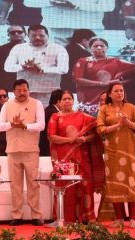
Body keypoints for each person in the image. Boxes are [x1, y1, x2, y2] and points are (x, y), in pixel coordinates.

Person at [48, 90, 104, 224]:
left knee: (85, 186)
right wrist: (70, 140)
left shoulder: (83, 116)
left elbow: (93, 135)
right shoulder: (55, 117)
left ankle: (87, 217)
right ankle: (66, 219)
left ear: (73, 101)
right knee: (65, 188)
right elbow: (52, 137)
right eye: (64, 99)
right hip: (63, 159)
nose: (67, 101)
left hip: (82, 157)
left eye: (69, 99)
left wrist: (83, 139)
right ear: (59, 102)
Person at [0, 79, 45, 226]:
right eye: (19, 90)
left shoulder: (37, 103)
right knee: (15, 185)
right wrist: (12, 124)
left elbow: (41, 125)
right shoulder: (7, 105)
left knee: (33, 184)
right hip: (12, 150)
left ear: (28, 90)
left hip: (31, 150)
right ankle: (16, 215)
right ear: (14, 92)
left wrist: (25, 126)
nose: (22, 93)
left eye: (25, 90)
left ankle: (36, 215)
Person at [96, 82, 135, 229]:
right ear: (109, 94)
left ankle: (134, 219)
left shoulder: (131, 107)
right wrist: (117, 125)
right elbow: (100, 128)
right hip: (113, 152)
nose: (119, 93)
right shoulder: (104, 109)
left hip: (130, 151)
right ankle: (119, 219)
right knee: (115, 185)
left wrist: (127, 122)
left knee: (132, 183)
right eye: (116, 91)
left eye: (121, 90)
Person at [4, 24, 69, 107]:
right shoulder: (18, 48)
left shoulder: (58, 48)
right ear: (28, 36)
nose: (37, 38)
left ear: (48, 35)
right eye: (33, 35)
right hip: (25, 91)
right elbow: (7, 67)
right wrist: (23, 67)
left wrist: (42, 69)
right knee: (26, 117)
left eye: (41, 35)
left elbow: (64, 69)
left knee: (48, 117)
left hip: (49, 91)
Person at [73, 37, 135, 116]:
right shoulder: (83, 61)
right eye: (95, 46)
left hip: (109, 99)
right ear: (90, 48)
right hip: (88, 101)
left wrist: (123, 82)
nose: (99, 48)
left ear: (107, 48)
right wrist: (103, 83)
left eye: (102, 46)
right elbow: (78, 79)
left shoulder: (116, 61)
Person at [24, 0, 115, 44]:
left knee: (90, 64)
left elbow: (109, 6)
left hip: (88, 27)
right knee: (54, 63)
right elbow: (28, 2)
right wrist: (50, 1)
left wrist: (77, 5)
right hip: (55, 27)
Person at [0, 25, 26, 92]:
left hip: (26, 82)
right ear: (8, 35)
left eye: (19, 32)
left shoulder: (31, 48)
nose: (16, 34)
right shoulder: (1, 49)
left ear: (25, 34)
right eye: (12, 32)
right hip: (5, 82)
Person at [39, 89, 62, 156]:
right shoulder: (54, 113)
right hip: (48, 146)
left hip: (44, 144)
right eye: (64, 99)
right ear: (59, 101)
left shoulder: (48, 109)